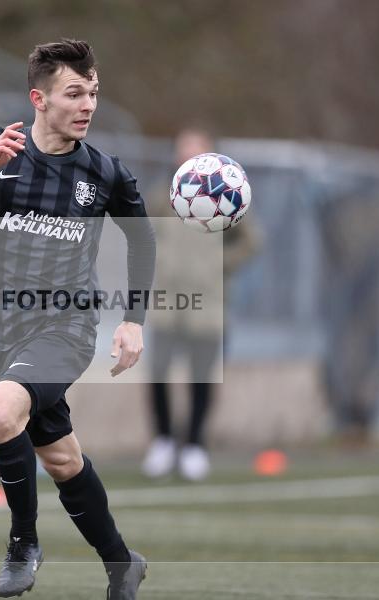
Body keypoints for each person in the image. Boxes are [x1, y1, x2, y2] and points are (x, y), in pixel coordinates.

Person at [0, 39, 155, 599]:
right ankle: (121, 563)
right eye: (75, 93)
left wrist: (132, 319)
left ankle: (23, 542)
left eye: (93, 93)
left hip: (66, 329)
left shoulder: (106, 173)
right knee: (63, 457)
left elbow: (142, 242)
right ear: (39, 99)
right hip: (3, 333)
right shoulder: (1, 149)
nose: (88, 104)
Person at [142, 128, 262, 481]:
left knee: (202, 377)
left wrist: (219, 265)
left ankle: (194, 444)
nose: (187, 156)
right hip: (167, 299)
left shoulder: (228, 194)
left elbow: (251, 241)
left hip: (209, 303)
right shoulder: (165, 195)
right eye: (183, 150)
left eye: (195, 150)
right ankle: (163, 441)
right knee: (159, 372)